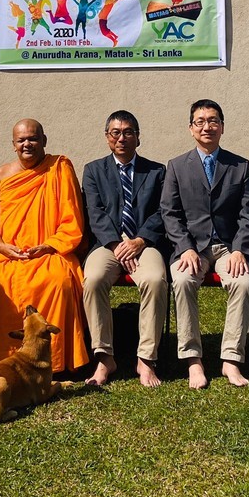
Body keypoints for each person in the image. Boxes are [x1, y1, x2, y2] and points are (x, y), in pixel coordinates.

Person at [0, 119, 90, 375]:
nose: (27, 144)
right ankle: (4, 356)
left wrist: (48, 246)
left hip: (49, 250)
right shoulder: (3, 174)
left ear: (44, 141)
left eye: (33, 139)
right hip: (8, 252)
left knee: (58, 281)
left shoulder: (59, 168)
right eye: (21, 140)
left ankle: (56, 361)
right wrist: (1, 246)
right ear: (13, 145)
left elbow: (72, 220)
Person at [161, 99, 249, 389]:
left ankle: (231, 359)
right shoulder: (177, 166)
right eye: (200, 121)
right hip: (192, 246)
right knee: (182, 280)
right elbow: (170, 212)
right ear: (191, 129)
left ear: (222, 127)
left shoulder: (239, 166)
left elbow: (248, 213)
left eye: (213, 121)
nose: (207, 126)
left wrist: (240, 249)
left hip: (229, 246)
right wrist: (185, 247)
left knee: (243, 283)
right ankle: (193, 360)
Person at [81, 110, 168, 387]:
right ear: (107, 138)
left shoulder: (156, 171)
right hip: (108, 244)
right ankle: (105, 356)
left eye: (128, 132)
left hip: (145, 243)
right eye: (115, 133)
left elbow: (162, 212)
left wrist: (139, 241)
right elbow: (95, 212)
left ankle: (146, 358)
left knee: (155, 280)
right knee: (93, 280)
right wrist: (118, 245)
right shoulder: (93, 170)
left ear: (138, 138)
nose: (122, 138)